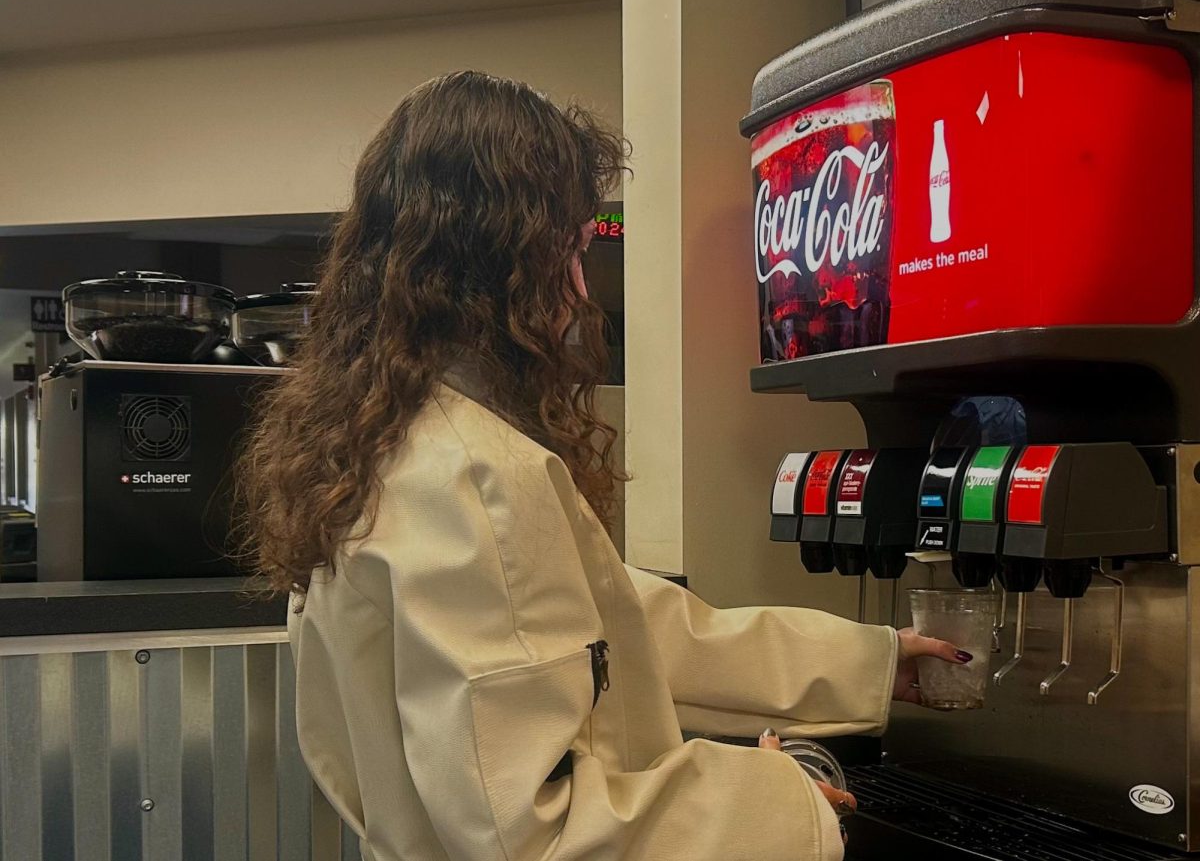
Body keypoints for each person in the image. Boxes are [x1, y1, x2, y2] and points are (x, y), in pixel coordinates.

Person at [236, 71, 968, 861]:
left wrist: (868, 663)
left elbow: (620, 630)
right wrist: (776, 796)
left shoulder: (374, 446)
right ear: (506, 259)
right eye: (575, 251)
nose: (584, 288)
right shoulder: (477, 476)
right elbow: (534, 833)